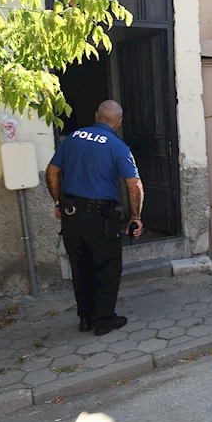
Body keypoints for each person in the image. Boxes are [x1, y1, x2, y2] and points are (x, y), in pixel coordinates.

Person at [45, 100, 144, 336]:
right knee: (107, 267)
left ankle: (85, 318)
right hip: (100, 219)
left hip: (71, 216)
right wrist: (136, 217)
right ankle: (104, 321)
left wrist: (58, 202)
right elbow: (134, 185)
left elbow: (52, 171)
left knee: (80, 267)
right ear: (119, 122)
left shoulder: (72, 138)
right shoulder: (117, 146)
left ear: (96, 116)